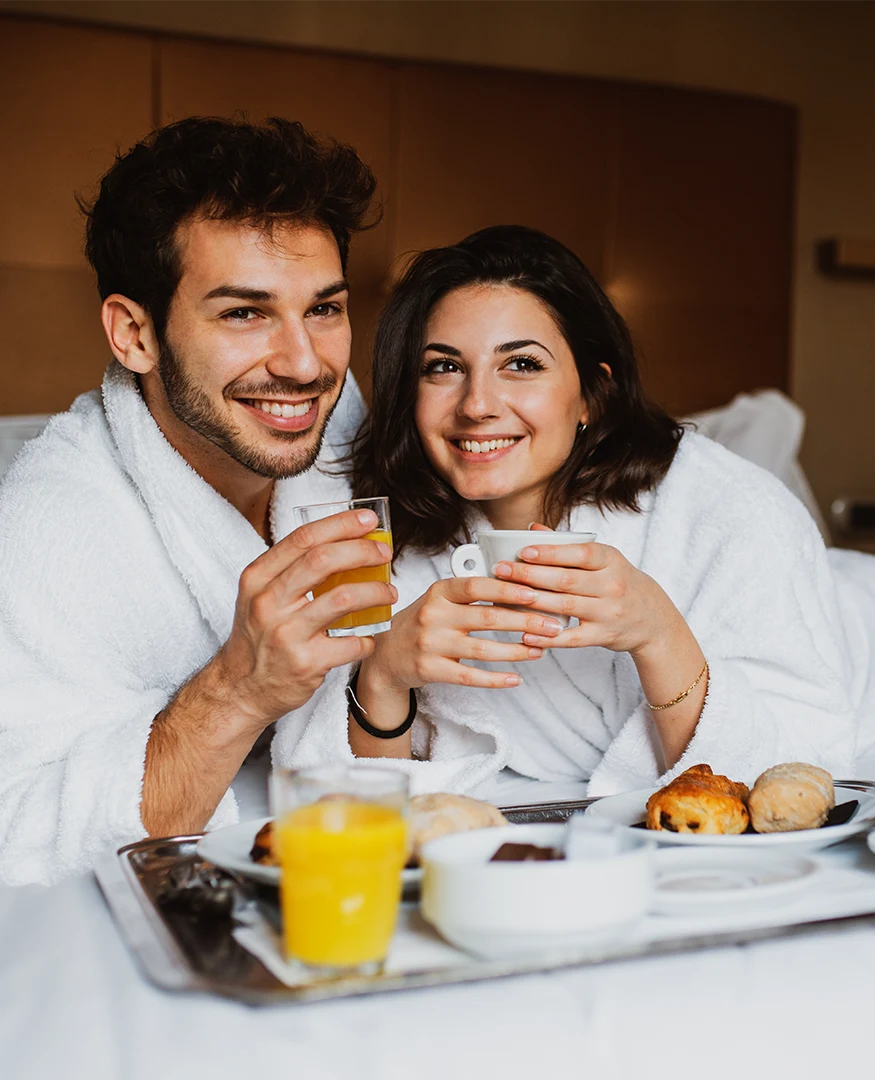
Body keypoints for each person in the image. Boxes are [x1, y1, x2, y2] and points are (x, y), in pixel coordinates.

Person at [276, 224, 863, 796]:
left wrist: (658, 632)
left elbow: (791, 776)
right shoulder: (381, 539)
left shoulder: (730, 508)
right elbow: (345, 801)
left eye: (522, 364)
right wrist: (385, 673)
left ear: (592, 394)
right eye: (444, 367)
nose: (477, 404)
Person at [0, 116, 397, 885]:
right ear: (134, 335)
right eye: (244, 313)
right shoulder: (41, 535)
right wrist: (238, 690)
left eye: (323, 308)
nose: (306, 364)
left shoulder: (343, 421)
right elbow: (19, 836)